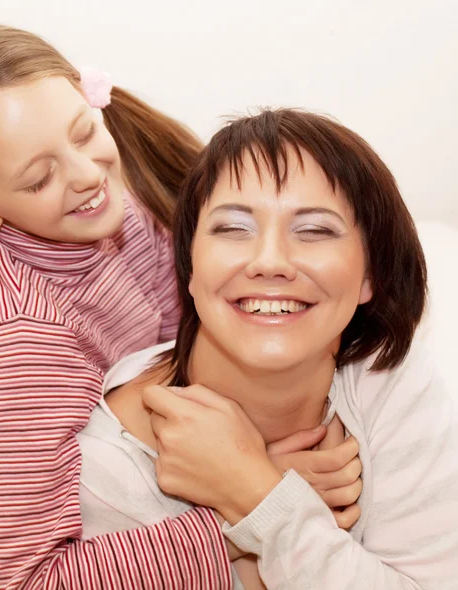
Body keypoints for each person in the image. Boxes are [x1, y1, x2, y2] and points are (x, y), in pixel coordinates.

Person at [0, 26, 357, 590]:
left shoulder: (128, 194)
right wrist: (251, 501)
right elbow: (28, 579)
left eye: (84, 131)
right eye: (40, 177)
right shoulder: (18, 339)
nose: (88, 175)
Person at [76, 109, 458, 589]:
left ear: (370, 276)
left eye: (315, 230)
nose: (270, 261)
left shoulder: (387, 376)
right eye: (233, 228)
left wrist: (256, 493)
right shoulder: (106, 462)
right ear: (191, 267)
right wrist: (256, 514)